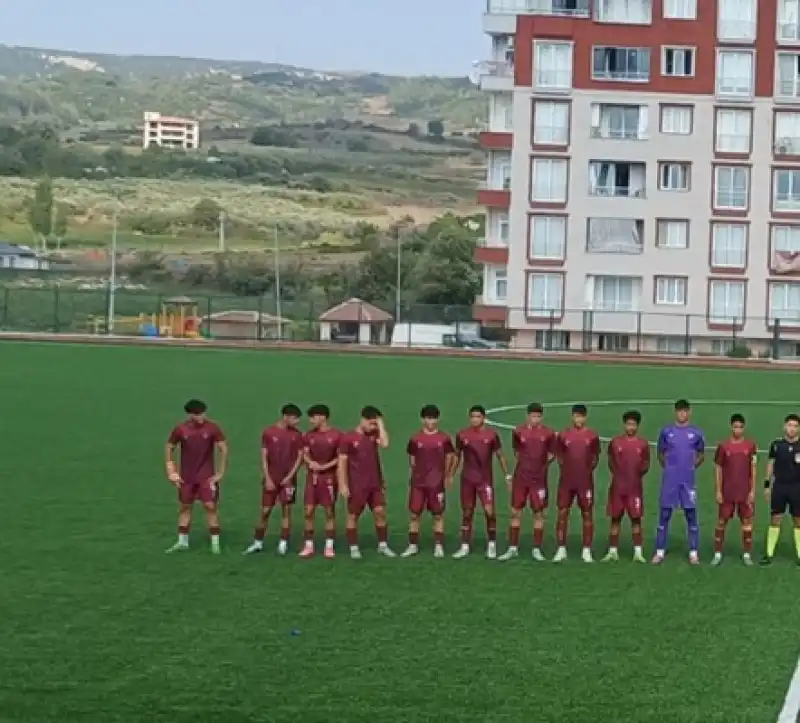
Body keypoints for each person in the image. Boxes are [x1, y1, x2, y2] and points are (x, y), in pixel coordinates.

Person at [164, 399, 228, 554]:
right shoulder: (181, 429)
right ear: (190, 415)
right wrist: (171, 470)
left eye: (203, 413)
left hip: (206, 477)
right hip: (186, 477)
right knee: (185, 507)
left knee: (210, 507)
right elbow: (169, 447)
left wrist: (220, 472)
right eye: (198, 414)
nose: (202, 417)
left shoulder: (212, 428)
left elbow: (224, 449)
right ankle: (182, 542)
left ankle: (215, 544)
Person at [244, 404, 304, 556]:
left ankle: (283, 544)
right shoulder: (269, 433)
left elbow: (299, 458)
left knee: (286, 510)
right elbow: (264, 456)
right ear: (286, 417)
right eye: (295, 419)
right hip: (272, 478)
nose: (297, 422)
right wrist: (268, 478)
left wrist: (290, 477)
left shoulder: (297, 435)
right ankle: (258, 542)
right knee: (265, 511)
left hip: (288, 480)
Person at [499, 402, 556, 562]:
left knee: (538, 513)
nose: (535, 419)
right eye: (533, 416)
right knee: (515, 512)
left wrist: (540, 467)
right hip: (521, 478)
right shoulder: (518, 431)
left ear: (542, 417)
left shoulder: (549, 433)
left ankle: (536, 549)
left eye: (538, 416)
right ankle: (513, 547)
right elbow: (516, 451)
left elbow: (552, 454)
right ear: (527, 416)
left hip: (539, 480)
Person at [337, 406, 396, 560]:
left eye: (375, 424)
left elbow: (385, 444)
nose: (373, 426)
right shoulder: (348, 438)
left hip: (375, 483)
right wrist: (343, 484)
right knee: (353, 515)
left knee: (380, 512)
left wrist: (381, 425)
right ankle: (353, 547)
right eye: (371, 423)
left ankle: (383, 545)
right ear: (362, 420)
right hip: (357, 485)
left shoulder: (374, 434)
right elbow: (342, 462)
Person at [652, 399, 705, 565]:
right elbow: (660, 452)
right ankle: (660, 551)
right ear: (675, 412)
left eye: (685, 411)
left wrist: (691, 467)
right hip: (670, 480)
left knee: (691, 515)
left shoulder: (696, 433)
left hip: (688, 481)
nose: (682, 414)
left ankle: (693, 552)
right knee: (664, 515)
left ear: (689, 412)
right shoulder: (667, 432)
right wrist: (669, 468)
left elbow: (701, 454)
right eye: (679, 411)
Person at [453, 405, 509, 560]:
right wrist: (450, 474)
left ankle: (491, 544)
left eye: (478, 416)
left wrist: (507, 475)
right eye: (472, 416)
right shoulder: (462, 435)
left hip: (485, 481)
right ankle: (464, 545)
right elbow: (457, 456)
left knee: (489, 512)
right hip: (467, 480)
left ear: (483, 418)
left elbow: (499, 455)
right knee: (467, 512)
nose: (475, 419)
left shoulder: (492, 435)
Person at [401, 404, 457, 558]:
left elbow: (450, 457)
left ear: (438, 419)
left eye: (433, 418)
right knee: (414, 514)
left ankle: (438, 546)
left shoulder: (444, 438)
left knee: (438, 515)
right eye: (427, 418)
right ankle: (413, 545)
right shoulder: (415, 438)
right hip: (418, 483)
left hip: (436, 483)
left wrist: (447, 475)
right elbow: (412, 459)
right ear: (422, 419)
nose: (430, 422)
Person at [553, 404, 601, 563]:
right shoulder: (563, 435)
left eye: (581, 416)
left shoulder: (592, 436)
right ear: (572, 417)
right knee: (562, 513)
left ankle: (586, 550)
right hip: (566, 481)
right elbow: (559, 456)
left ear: (585, 418)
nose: (578, 419)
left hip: (585, 482)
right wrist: (567, 469)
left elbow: (595, 457)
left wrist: (586, 471)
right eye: (576, 416)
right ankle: (561, 549)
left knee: (587, 513)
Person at [602, 410, 649, 563]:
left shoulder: (642, 444)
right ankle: (612, 551)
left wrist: (634, 476)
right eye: (628, 424)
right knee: (615, 519)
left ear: (637, 426)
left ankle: (638, 552)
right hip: (617, 488)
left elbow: (645, 465)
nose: (630, 427)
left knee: (636, 520)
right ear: (624, 425)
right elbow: (610, 462)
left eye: (633, 424)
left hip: (634, 489)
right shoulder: (615, 443)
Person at [711, 414, 758, 566]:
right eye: (735, 426)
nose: (737, 430)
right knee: (721, 521)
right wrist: (718, 490)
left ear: (744, 428)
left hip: (744, 491)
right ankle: (718, 553)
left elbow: (753, 468)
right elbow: (718, 468)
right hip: (727, 491)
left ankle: (746, 554)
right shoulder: (723, 446)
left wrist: (752, 490)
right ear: (731, 427)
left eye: (740, 427)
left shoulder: (750, 446)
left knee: (746, 521)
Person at [300, 404, 342, 559]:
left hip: (329, 479)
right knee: (308, 511)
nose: (311, 421)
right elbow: (304, 454)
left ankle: (329, 546)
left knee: (329, 512)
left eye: (313, 417)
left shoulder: (337, 435)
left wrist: (324, 466)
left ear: (323, 417)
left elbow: (340, 458)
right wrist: (311, 463)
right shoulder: (308, 436)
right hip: (312, 479)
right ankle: (308, 545)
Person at [761, 413, 800, 566]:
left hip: (797, 487)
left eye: (795, 426)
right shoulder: (776, 445)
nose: (792, 429)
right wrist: (766, 485)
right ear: (785, 427)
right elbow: (770, 464)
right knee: (775, 519)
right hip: (780, 486)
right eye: (790, 425)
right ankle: (769, 554)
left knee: (798, 520)